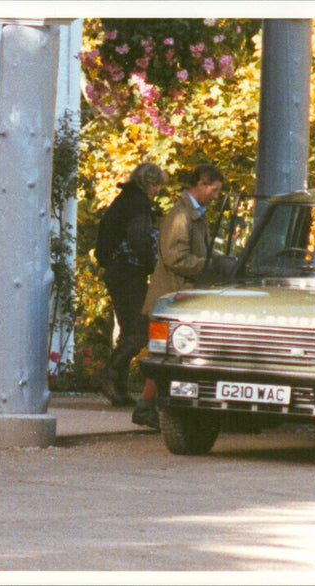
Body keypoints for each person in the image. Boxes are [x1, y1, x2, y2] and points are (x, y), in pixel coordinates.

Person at [133, 163, 225, 428]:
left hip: (180, 297)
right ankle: (147, 406)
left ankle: (151, 406)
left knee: (170, 356)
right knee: (167, 356)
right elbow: (175, 258)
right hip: (172, 298)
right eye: (215, 190)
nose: (216, 196)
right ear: (202, 184)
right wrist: (209, 266)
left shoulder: (193, 215)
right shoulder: (181, 216)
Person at [92, 162, 167, 410]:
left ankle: (119, 389)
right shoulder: (137, 204)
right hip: (128, 271)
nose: (157, 190)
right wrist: (151, 264)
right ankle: (109, 374)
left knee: (129, 330)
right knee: (140, 330)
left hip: (118, 270)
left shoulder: (125, 200)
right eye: (156, 185)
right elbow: (140, 239)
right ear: (149, 183)